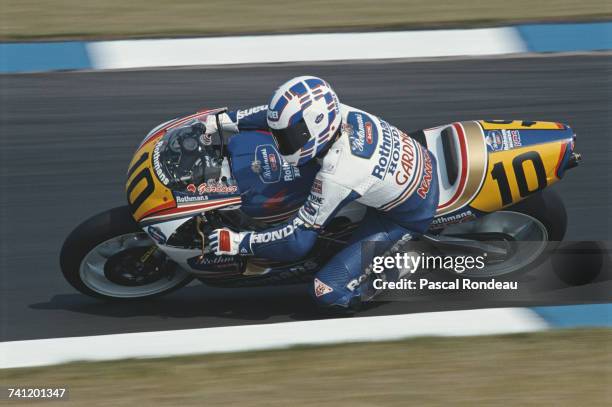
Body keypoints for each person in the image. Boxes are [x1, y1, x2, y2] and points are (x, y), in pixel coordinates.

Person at [206, 76, 439, 311]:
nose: (279, 144)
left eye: (286, 138)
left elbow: (297, 240)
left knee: (326, 292)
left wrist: (239, 243)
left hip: (406, 213)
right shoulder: (335, 114)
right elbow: (274, 116)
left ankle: (411, 263)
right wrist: (227, 119)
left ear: (315, 128)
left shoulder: (336, 174)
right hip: (409, 162)